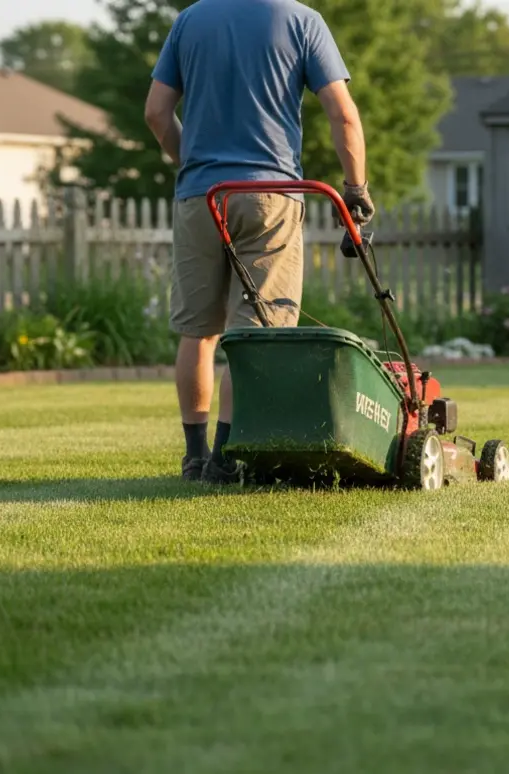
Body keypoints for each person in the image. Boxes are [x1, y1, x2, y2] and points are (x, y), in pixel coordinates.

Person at [144, 0, 374, 484]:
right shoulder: (302, 21)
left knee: (198, 332)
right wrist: (355, 190)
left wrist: (193, 164)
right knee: (254, 335)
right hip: (271, 194)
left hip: (201, 195)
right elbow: (344, 116)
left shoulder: (189, 21)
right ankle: (226, 459)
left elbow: (157, 113)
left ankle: (194, 455)